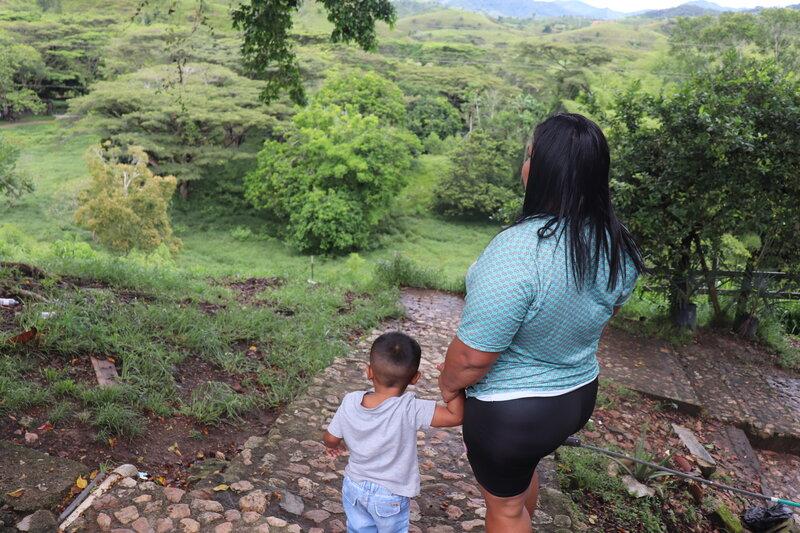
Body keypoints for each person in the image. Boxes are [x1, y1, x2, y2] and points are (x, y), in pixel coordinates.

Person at [437, 113, 645, 532]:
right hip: (576, 397)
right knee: (518, 481)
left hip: (512, 413)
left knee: (505, 508)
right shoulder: (617, 243)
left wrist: (448, 386)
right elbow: (606, 311)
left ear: (542, 170)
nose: (524, 163)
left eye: (529, 154)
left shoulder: (518, 250)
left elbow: (473, 358)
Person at [324, 331, 465, 533]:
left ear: (369, 371)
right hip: (390, 495)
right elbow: (456, 416)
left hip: (354, 486)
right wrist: (451, 383)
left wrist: (332, 446)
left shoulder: (350, 400)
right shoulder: (410, 408)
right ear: (415, 378)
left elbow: (330, 437)